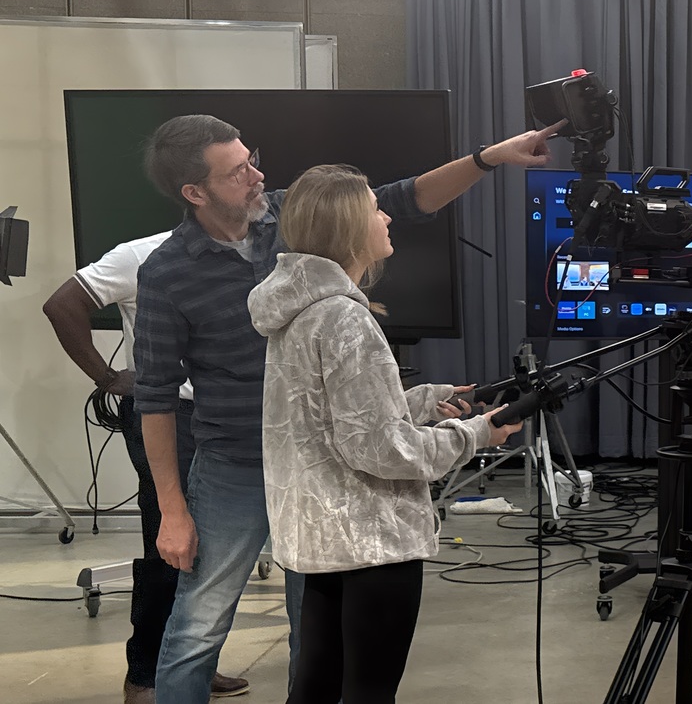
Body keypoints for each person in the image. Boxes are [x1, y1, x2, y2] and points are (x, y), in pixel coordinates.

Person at [132, 114, 560, 704]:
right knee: (198, 626)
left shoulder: (291, 218)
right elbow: (154, 396)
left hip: (319, 474)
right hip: (234, 464)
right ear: (194, 192)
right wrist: (171, 511)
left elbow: (405, 197)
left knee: (318, 641)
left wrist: (490, 157)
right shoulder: (169, 273)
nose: (257, 176)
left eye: (252, 159)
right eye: (237, 173)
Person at [248, 164, 523, 703]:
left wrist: (423, 401)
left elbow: (325, 418)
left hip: (321, 538)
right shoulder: (347, 320)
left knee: (316, 685)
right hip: (371, 541)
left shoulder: (300, 312)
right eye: (375, 208)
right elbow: (380, 449)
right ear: (350, 227)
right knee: (370, 693)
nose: (387, 215)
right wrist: (475, 434)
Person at [41, 237, 248, 704]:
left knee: (214, 552)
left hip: (226, 415)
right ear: (194, 190)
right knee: (171, 544)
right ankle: (146, 677)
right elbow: (62, 303)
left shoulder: (250, 251)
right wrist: (108, 377)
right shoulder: (142, 254)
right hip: (167, 415)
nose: (255, 182)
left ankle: (191, 663)